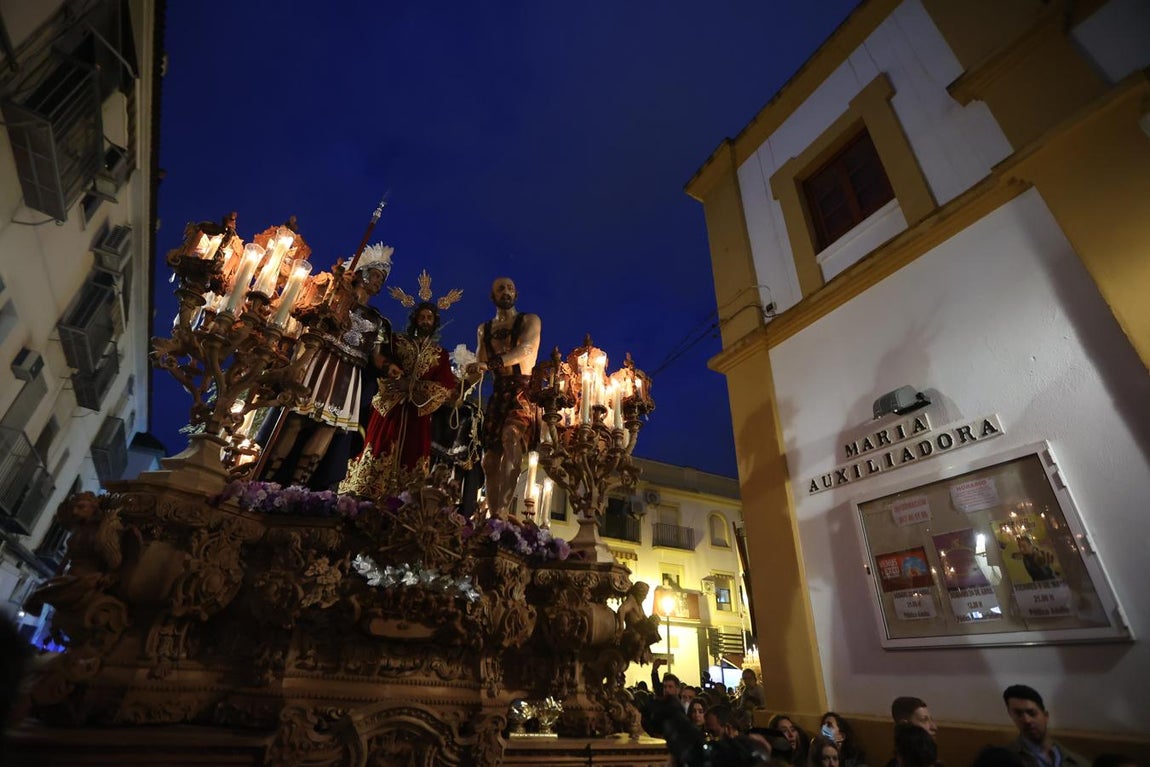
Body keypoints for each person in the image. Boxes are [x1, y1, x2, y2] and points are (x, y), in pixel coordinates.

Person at [259, 244, 393, 488]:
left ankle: (300, 486)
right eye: (375, 274)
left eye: (382, 279)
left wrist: (391, 368)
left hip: (349, 373)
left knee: (329, 426)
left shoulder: (378, 320)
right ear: (360, 273)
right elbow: (314, 320)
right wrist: (339, 288)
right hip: (322, 360)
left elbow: (376, 356)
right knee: (297, 418)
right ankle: (268, 479)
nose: (378, 282)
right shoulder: (339, 296)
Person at [341, 300, 458, 500]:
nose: (425, 321)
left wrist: (414, 387)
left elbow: (445, 386)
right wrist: (390, 369)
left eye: (429, 318)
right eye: (422, 317)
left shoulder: (440, 354)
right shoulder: (397, 341)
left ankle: (405, 497)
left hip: (417, 411)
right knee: (380, 444)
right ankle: (367, 492)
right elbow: (378, 357)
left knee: (412, 452)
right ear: (415, 320)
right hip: (390, 404)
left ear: (434, 322)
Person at [468, 277, 541, 518]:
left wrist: (490, 364)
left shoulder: (529, 320)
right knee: (489, 460)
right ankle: (493, 516)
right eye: (501, 289)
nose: (506, 292)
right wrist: (461, 386)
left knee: (511, 436)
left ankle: (503, 511)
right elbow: (479, 364)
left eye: (510, 288)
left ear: (516, 294)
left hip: (521, 390)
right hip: (498, 394)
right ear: (492, 296)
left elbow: (526, 349)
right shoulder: (484, 329)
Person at [1003, 684, 1089, 767]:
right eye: (1019, 714)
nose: (1027, 720)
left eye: (1032, 713)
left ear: (1045, 716)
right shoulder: (1006, 759)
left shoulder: (1077, 761)